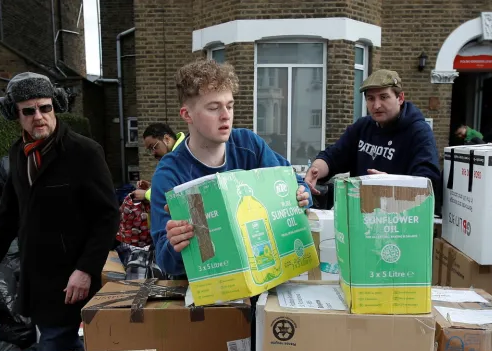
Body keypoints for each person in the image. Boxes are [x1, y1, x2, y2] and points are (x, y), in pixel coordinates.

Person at [0, 72, 119, 351]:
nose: (39, 117)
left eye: (45, 108)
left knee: (55, 349)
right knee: (60, 346)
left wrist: (85, 269)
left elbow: (107, 215)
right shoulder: (19, 153)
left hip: (71, 276)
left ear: (55, 107)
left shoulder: (83, 152)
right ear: (16, 115)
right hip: (36, 274)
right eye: (28, 111)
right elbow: (9, 211)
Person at [150, 59, 311, 277]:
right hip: (210, 289)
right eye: (214, 108)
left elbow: (293, 181)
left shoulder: (249, 144)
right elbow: (166, 261)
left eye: (230, 105)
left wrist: (302, 195)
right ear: (187, 115)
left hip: (264, 272)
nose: (226, 115)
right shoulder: (170, 174)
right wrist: (175, 245)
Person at [304, 69, 441, 211]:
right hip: (362, 213)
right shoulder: (362, 127)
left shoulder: (418, 132)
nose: (376, 105)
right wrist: (315, 170)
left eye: (383, 97)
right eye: (370, 98)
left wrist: (392, 183)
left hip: (401, 218)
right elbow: (333, 157)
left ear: (400, 98)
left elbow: (428, 181)